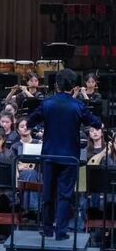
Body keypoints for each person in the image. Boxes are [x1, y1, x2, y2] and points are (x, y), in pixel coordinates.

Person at [27, 69, 102, 241]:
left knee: (48, 193)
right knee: (65, 195)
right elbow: (95, 123)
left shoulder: (47, 103)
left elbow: (30, 121)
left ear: (56, 85)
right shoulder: (78, 106)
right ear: (74, 87)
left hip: (49, 156)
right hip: (70, 157)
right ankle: (61, 232)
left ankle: (47, 228)